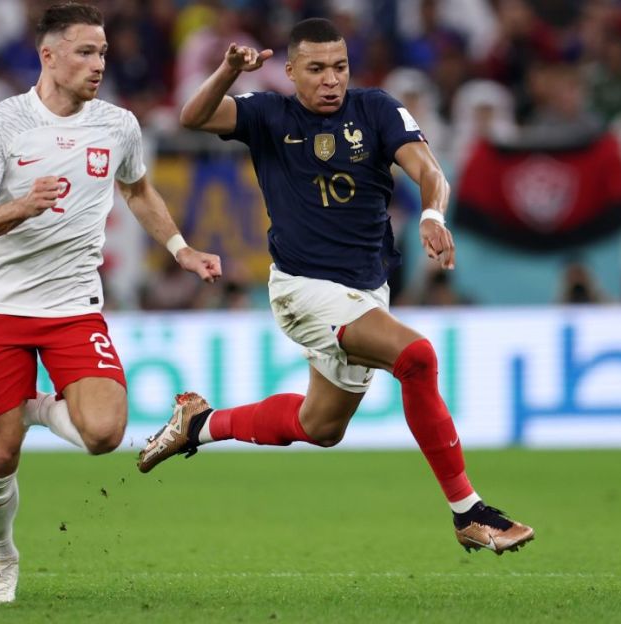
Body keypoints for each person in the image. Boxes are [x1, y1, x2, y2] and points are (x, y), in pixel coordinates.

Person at [138, 18, 533, 555]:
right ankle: (469, 511)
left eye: (340, 67)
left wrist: (433, 215)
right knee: (416, 357)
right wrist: (228, 70)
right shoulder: (268, 114)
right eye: (318, 69)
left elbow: (428, 168)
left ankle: (200, 425)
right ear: (292, 71)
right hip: (304, 289)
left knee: (320, 425)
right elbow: (194, 117)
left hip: (367, 291)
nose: (331, 80)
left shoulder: (375, 109)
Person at [0, 3, 220, 603]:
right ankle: (2, 560)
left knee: (104, 433)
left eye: (101, 52)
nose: (98, 63)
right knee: (0, 457)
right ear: (48, 56)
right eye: (84, 52)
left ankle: (31, 408)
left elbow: (137, 188)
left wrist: (180, 249)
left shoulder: (118, 125)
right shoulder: (1, 123)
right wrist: (22, 205)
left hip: (74, 305)